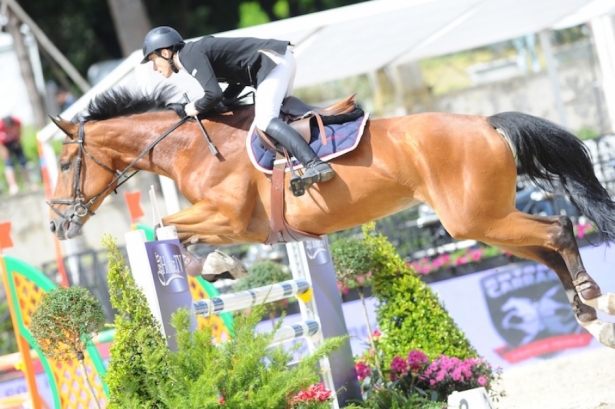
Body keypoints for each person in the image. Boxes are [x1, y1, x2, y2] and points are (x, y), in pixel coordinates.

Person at [140, 26, 334, 192]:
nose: (154, 68)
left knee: (265, 119)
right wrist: (217, 106)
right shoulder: (192, 53)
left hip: (273, 63)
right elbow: (235, 84)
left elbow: (213, 94)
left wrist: (195, 107)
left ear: (165, 53)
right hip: (278, 60)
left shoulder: (189, 56)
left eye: (152, 60)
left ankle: (315, 164)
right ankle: (330, 126)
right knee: (284, 114)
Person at [0, 116, 35, 195]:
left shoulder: (17, 121)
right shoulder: (1, 126)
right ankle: (13, 186)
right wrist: (3, 151)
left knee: (23, 162)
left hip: (15, 141)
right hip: (5, 145)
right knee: (9, 164)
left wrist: (19, 141)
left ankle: (29, 183)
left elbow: (20, 130)